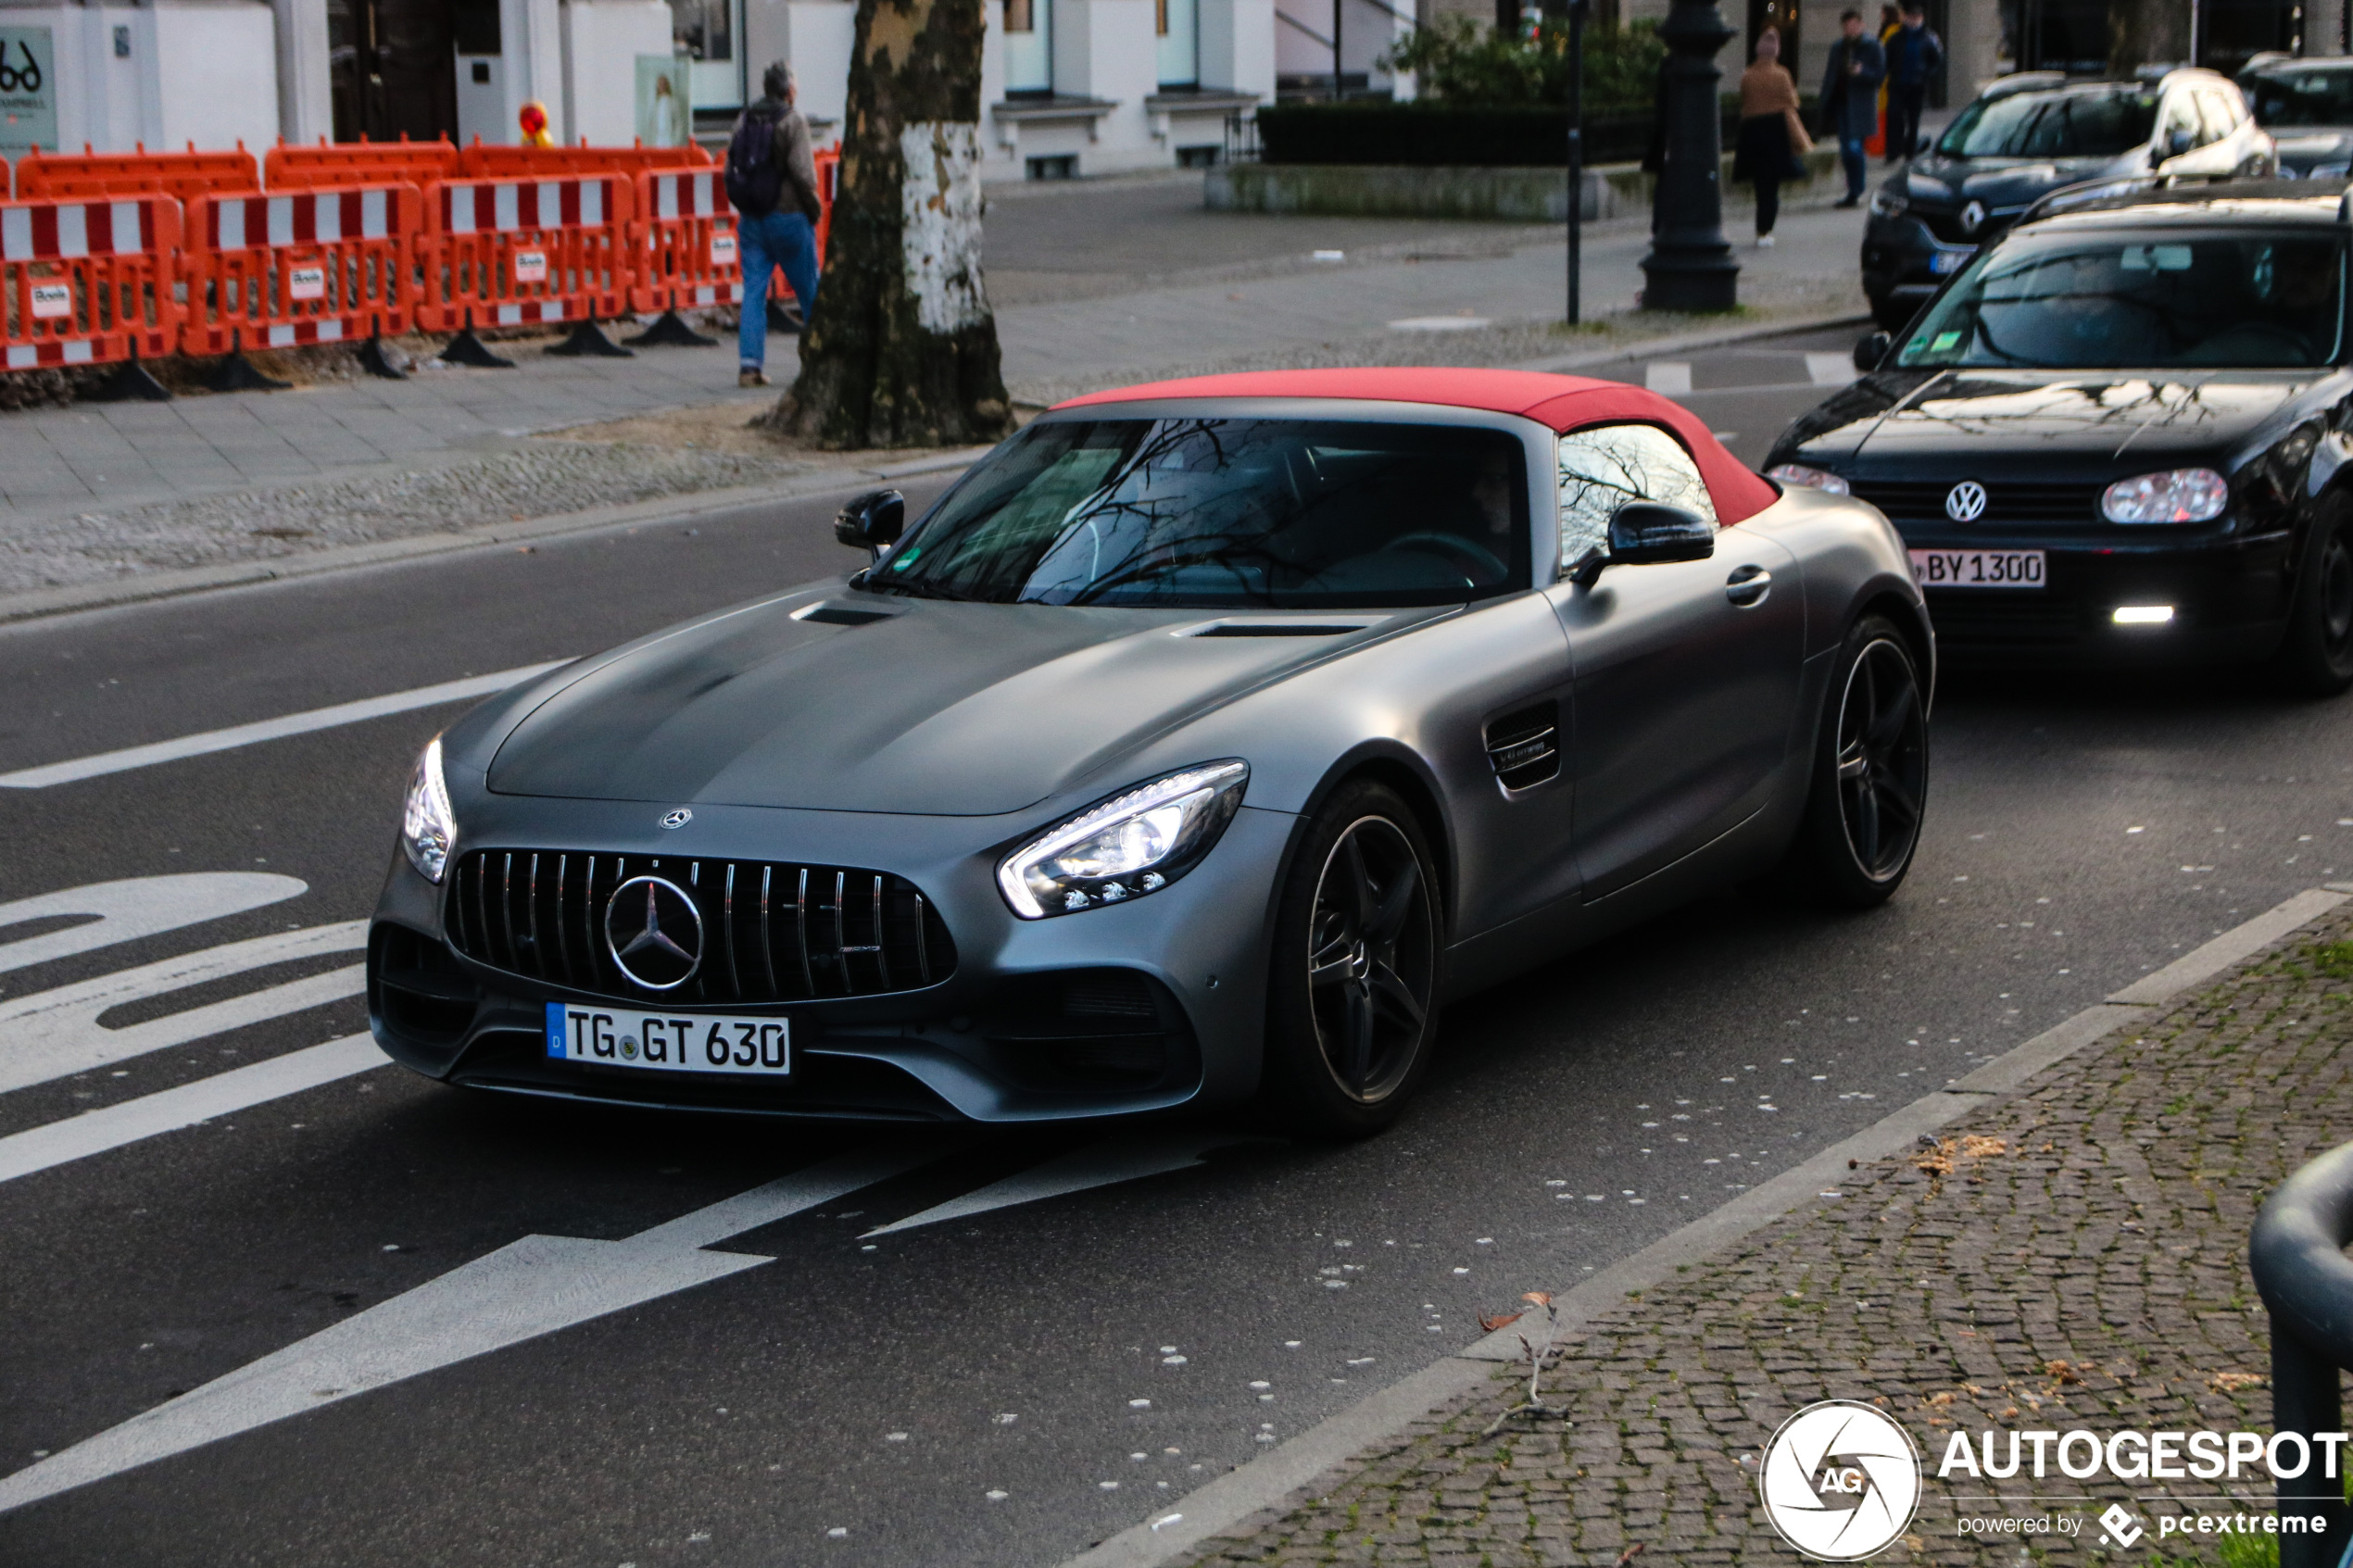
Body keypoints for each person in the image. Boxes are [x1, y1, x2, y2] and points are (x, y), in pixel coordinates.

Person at [725, 60, 824, 389]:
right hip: (788, 217)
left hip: (752, 219)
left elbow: (731, 166)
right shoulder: (793, 121)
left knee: (753, 291)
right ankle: (819, 362)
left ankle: (749, 366)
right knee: (810, 290)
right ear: (789, 90)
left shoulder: (745, 118)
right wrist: (814, 210)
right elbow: (804, 174)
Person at [1733, 26, 1806, 247]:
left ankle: (1759, 228)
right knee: (1772, 186)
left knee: (1760, 184)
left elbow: (1744, 102)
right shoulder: (1782, 75)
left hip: (1752, 132)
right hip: (1776, 132)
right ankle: (1766, 229)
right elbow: (1793, 102)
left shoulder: (1748, 75)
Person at [1820, 8, 1886, 207]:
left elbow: (1879, 77)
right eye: (1847, 27)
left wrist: (1862, 71)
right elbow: (1830, 76)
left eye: (1854, 26)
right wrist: (1825, 101)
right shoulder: (1838, 47)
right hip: (1841, 104)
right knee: (1846, 150)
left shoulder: (1873, 46)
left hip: (1860, 105)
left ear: (1861, 25)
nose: (1850, 30)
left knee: (1854, 149)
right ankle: (1853, 190)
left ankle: (1857, 190)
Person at [1884, 1, 1943, 164]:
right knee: (1894, 117)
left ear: (1922, 18)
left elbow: (1937, 61)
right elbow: (1887, 60)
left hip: (1917, 86)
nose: (1913, 20)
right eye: (1911, 17)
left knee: (1913, 120)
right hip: (1897, 84)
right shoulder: (1895, 39)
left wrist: (1926, 75)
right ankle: (1893, 152)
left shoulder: (1929, 38)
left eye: (1916, 17)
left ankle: (1910, 152)